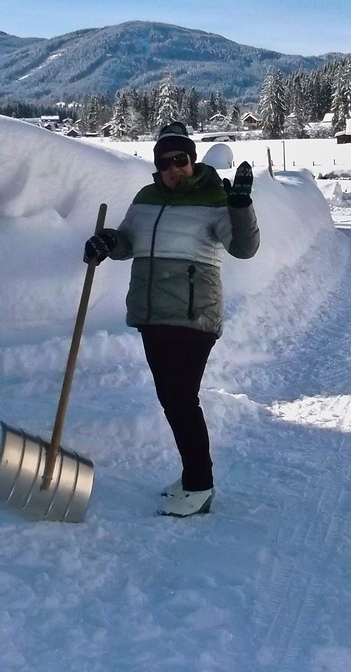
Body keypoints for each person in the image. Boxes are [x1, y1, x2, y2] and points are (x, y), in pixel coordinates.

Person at [83, 121, 259, 517]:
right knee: (172, 399)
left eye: (180, 160)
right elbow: (128, 242)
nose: (173, 168)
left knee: (180, 399)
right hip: (152, 312)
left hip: (193, 313)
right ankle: (193, 476)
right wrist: (108, 241)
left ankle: (199, 484)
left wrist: (241, 207)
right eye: (165, 162)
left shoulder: (216, 197)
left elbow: (244, 249)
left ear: (192, 159)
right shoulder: (146, 197)